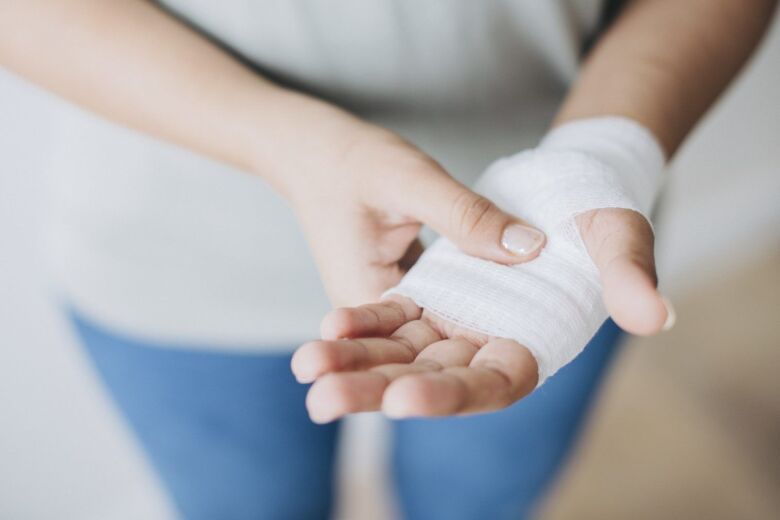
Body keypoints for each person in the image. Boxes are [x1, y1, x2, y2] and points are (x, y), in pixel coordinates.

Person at [0, 1, 774, 518]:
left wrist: (599, 156)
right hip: (174, 255)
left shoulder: (552, 264)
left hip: (548, 269)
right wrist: (284, 141)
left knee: (479, 505)